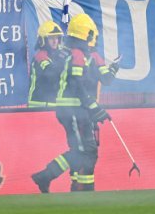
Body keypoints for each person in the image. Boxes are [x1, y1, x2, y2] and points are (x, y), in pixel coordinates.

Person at [31, 14, 111, 193]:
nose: (56, 41)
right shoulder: (75, 53)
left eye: (57, 37)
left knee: (79, 149)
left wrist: (91, 106)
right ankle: (53, 177)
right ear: (87, 35)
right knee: (86, 150)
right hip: (72, 109)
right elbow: (75, 82)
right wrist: (91, 105)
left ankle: (75, 187)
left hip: (74, 108)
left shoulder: (75, 53)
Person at [28, 21, 67, 108]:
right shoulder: (40, 56)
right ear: (43, 40)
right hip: (38, 104)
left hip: (53, 104)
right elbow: (50, 73)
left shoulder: (60, 55)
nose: (55, 41)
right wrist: (64, 61)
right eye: (51, 38)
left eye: (57, 38)